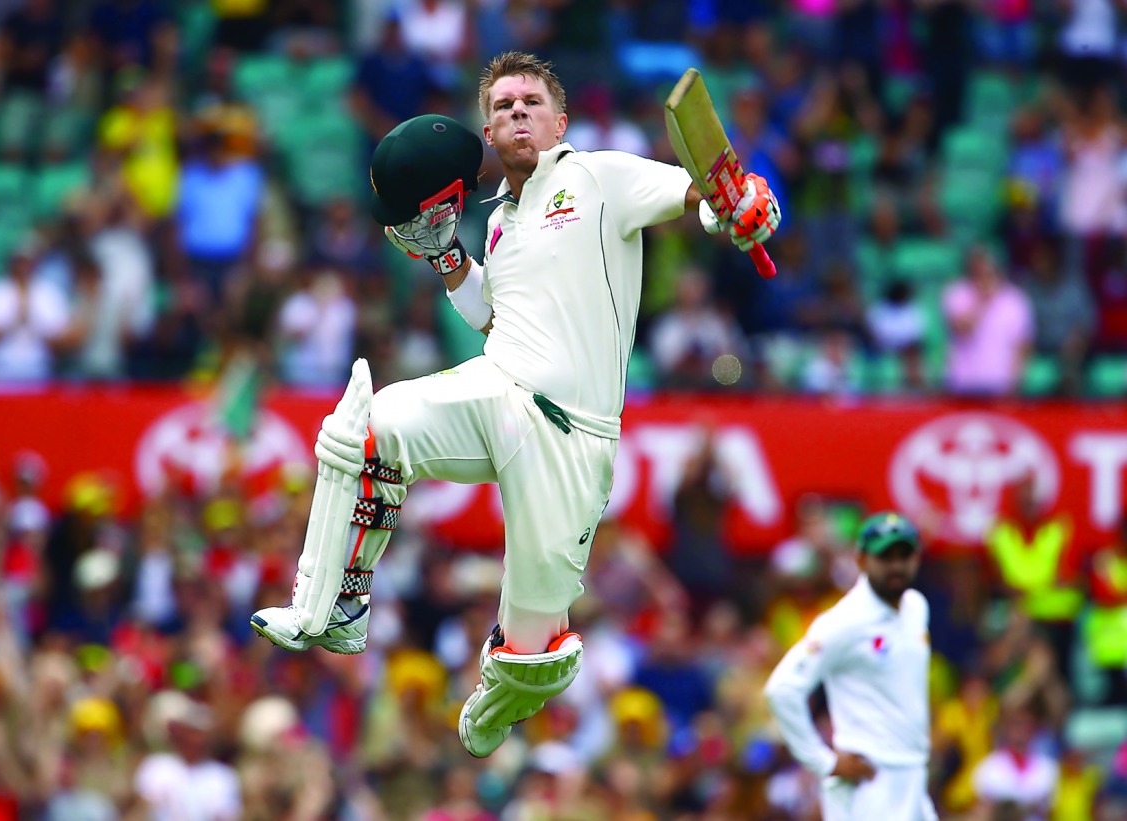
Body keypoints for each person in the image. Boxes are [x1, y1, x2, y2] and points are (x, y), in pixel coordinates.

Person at [251, 50, 781, 758]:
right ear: (489, 134)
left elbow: (704, 198)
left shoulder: (597, 175)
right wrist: (447, 258)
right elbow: (490, 318)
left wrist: (748, 204)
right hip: (496, 387)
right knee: (363, 427)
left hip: (571, 435)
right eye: (502, 107)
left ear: (559, 120)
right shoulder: (498, 222)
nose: (517, 112)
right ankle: (334, 606)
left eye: (530, 101)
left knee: (536, 651)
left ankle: (506, 688)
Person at [763, 512, 937, 820]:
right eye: (884, 556)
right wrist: (824, 762)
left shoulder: (916, 608)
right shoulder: (844, 622)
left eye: (904, 555)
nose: (896, 566)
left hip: (912, 776)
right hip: (869, 782)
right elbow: (782, 689)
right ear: (860, 560)